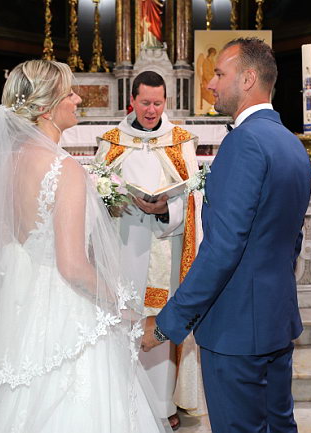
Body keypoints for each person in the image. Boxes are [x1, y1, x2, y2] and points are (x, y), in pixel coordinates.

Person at [0, 60, 171, 433]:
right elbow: (73, 267)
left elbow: (5, 243)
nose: (78, 99)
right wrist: (123, 308)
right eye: (70, 93)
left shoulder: (8, 164)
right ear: (46, 108)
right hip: (68, 314)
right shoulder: (64, 169)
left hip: (24, 311)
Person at [142, 38, 311, 433]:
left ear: (248, 79)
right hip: (276, 319)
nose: (211, 83)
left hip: (236, 330)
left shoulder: (244, 142)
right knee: (279, 426)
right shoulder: (292, 144)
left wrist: (167, 323)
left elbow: (223, 248)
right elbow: (292, 239)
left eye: (220, 74)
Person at [95, 70, 204, 430]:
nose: (152, 110)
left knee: (159, 319)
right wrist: (112, 198)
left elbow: (193, 198)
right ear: (132, 100)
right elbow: (95, 193)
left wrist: (165, 208)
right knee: (123, 317)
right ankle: (120, 398)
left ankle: (160, 405)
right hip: (122, 247)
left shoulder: (180, 141)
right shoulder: (112, 141)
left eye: (158, 103)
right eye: (145, 102)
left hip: (163, 247)